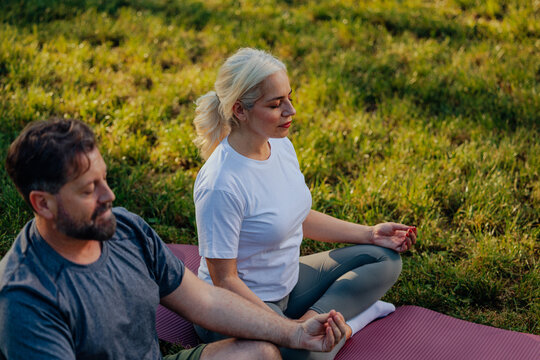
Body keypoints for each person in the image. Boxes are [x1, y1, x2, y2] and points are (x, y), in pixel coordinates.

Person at [0, 118, 349, 360]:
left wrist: (292, 333)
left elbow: (206, 303)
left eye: (104, 178)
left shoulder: (126, 230)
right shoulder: (27, 299)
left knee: (260, 353)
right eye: (89, 189)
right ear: (42, 204)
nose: (109, 195)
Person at [192, 48, 418, 359]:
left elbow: (297, 216)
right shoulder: (221, 184)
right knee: (304, 355)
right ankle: (349, 324)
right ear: (239, 111)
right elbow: (225, 280)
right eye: (275, 104)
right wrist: (288, 331)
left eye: (289, 97)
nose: (291, 110)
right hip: (235, 308)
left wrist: (370, 233)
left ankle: (314, 326)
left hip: (289, 285)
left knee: (383, 259)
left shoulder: (280, 145)